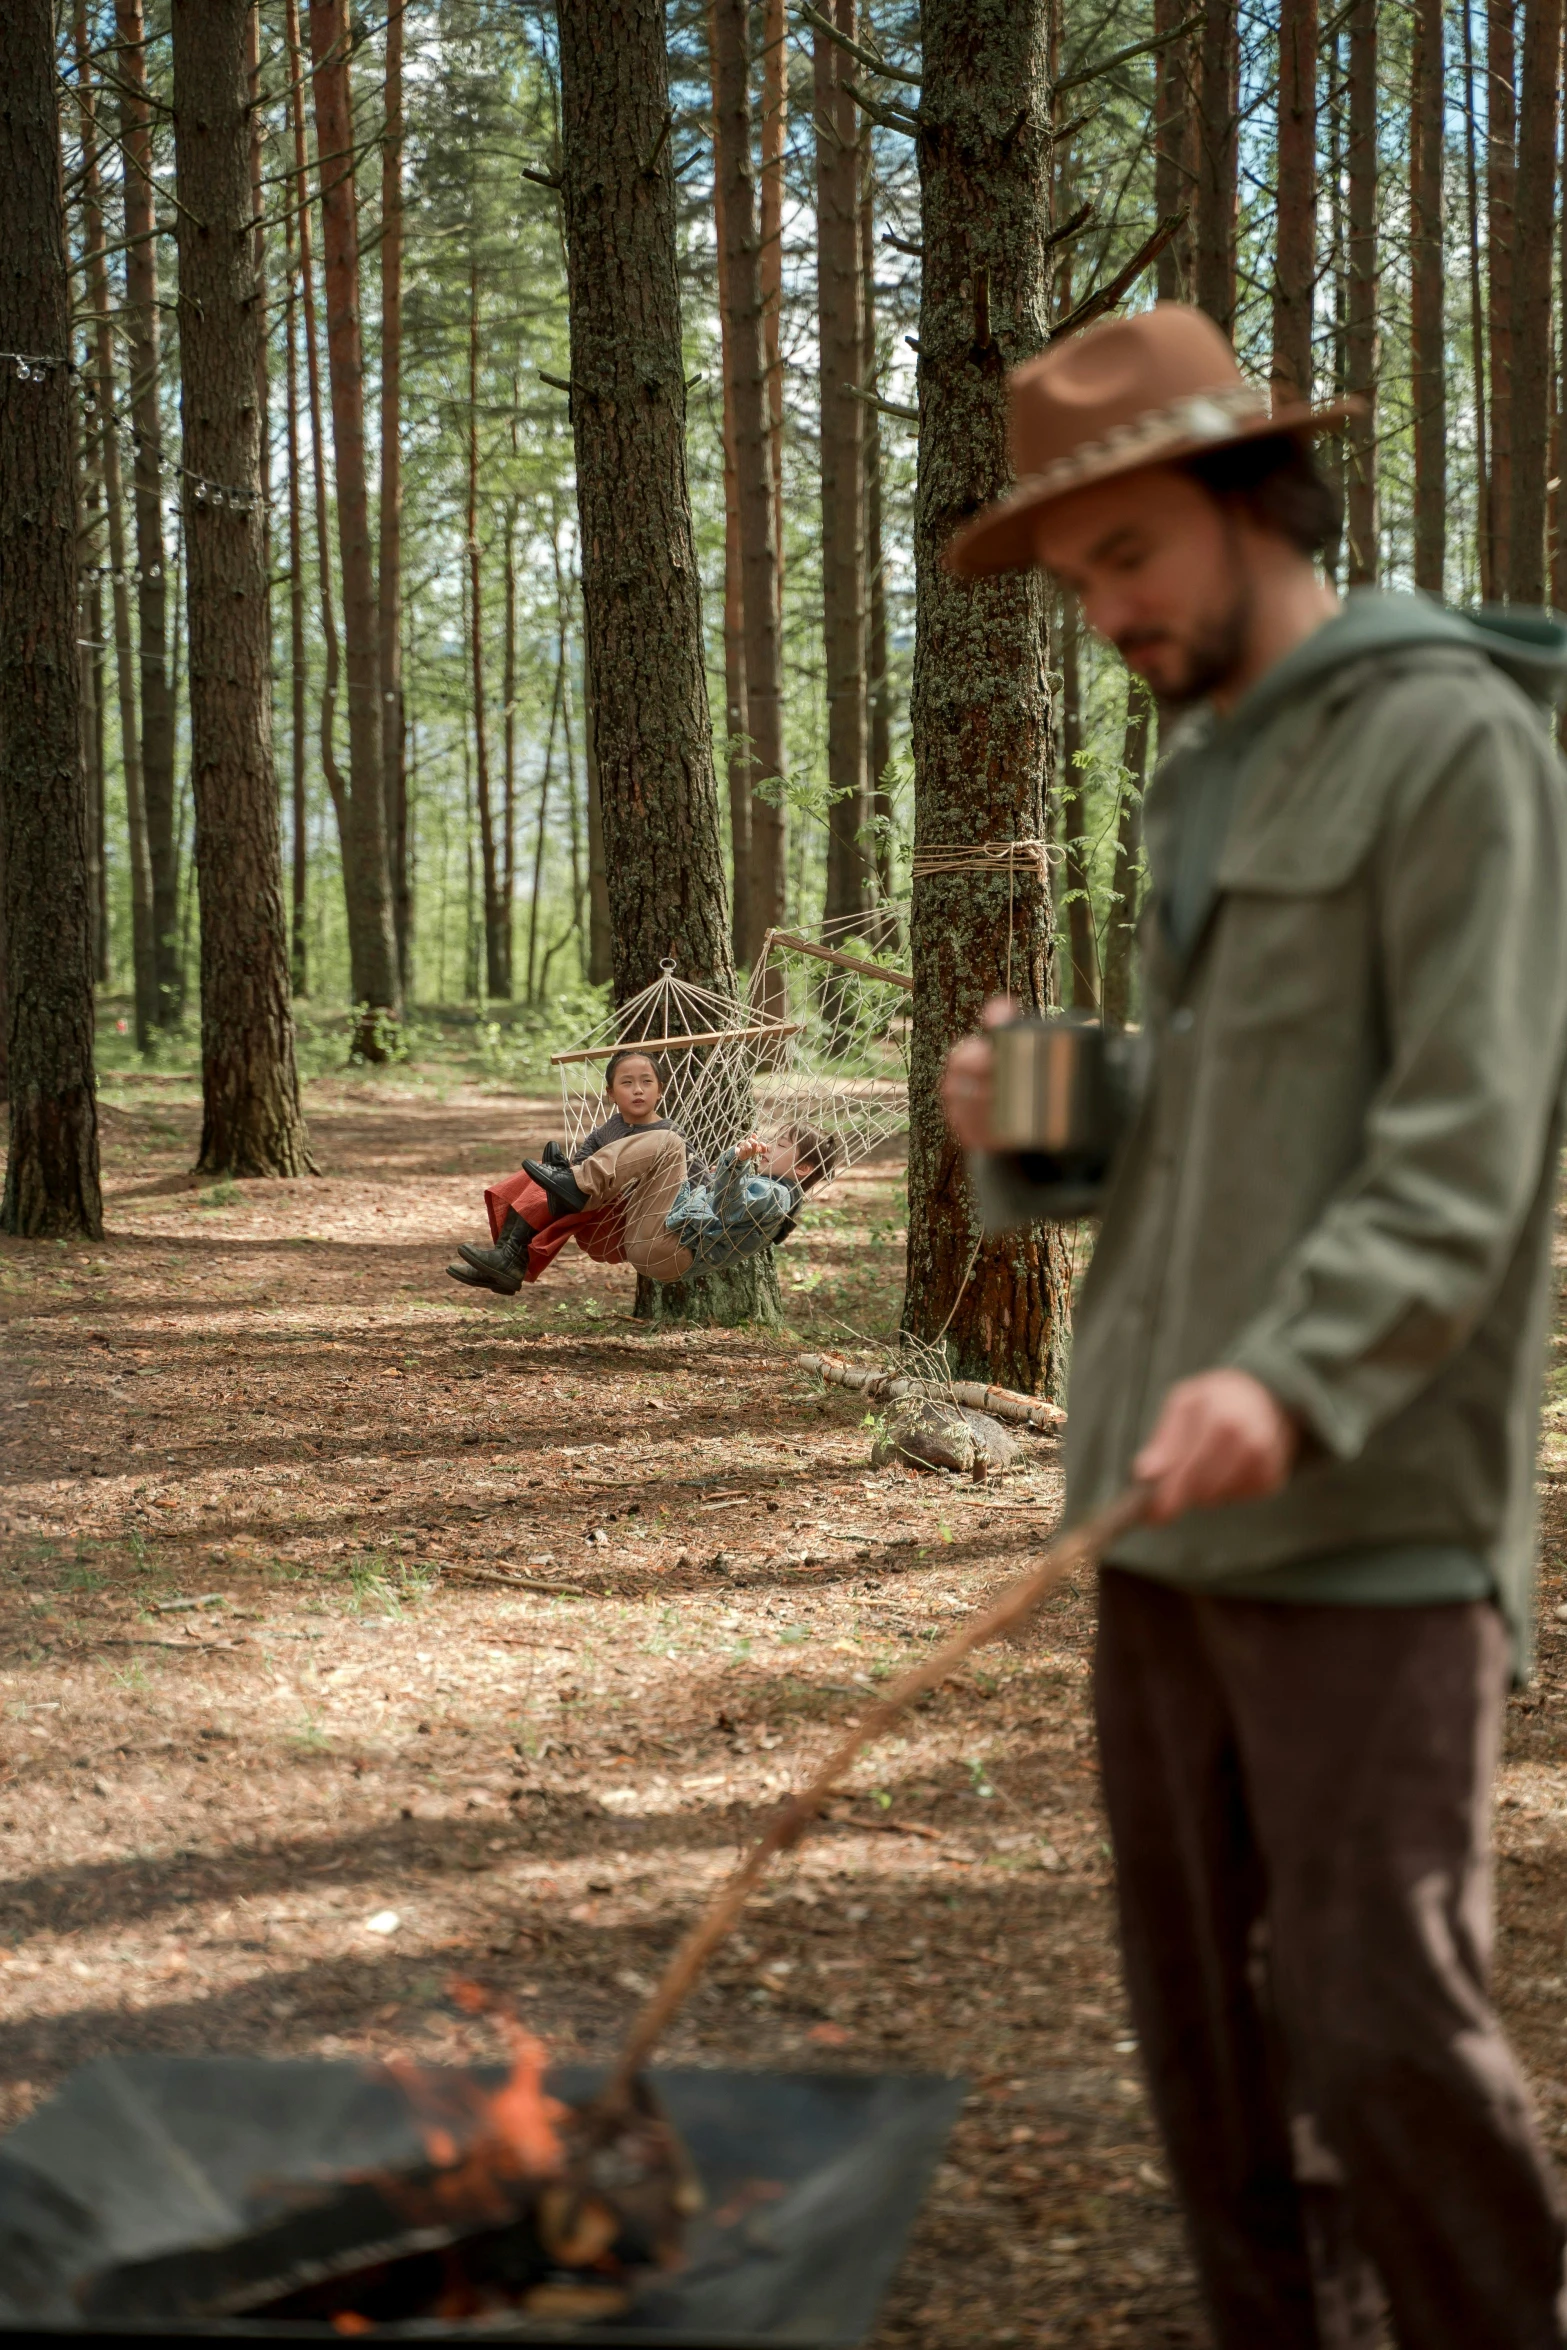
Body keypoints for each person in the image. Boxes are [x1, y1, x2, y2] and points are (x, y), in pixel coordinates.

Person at [940, 302, 1567, 2346]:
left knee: (1384, 2025)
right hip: (1155, 1504)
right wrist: (1040, 1111)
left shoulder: (1449, 741)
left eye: (1129, 551)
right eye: (1073, 576)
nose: (1104, 607)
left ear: (1247, 495)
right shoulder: (1204, 766)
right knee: (1198, 2030)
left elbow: (1463, 1141)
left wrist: (1291, 1378)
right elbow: (1231, 1127)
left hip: (1369, 1513)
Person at [447, 1047, 691, 1296]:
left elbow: (694, 1179)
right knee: (542, 1182)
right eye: (627, 1083)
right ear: (611, 1094)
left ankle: (511, 1260)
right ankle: (507, 1258)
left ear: (660, 1090)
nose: (638, 1090)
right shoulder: (605, 1132)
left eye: (647, 1082)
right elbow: (577, 1175)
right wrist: (564, 1170)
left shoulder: (669, 1134)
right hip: (602, 1218)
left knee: (559, 1182)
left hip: (644, 1219)